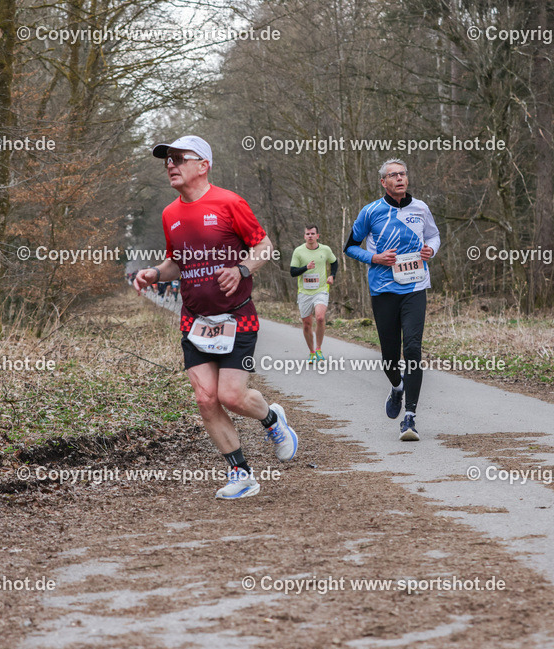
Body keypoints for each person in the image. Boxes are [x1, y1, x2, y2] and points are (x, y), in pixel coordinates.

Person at [133, 135, 298, 499]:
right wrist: (154, 274)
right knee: (206, 398)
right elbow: (177, 262)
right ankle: (241, 474)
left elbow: (264, 247)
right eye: (167, 160)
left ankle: (272, 419)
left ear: (203, 165)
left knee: (232, 396)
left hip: (237, 317)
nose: (170, 164)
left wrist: (241, 268)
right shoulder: (170, 213)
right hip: (195, 321)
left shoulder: (229, 202)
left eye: (179, 158)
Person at [344, 158, 440, 441]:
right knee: (389, 357)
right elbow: (350, 247)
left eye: (402, 174)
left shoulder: (421, 208)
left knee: (412, 347)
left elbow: (434, 236)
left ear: (407, 179)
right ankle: (397, 387)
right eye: (392, 175)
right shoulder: (370, 211)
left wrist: (430, 251)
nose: (399, 178)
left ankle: (409, 418)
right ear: (383, 182)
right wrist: (374, 257)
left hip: (415, 287)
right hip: (384, 290)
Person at [289, 225, 337, 363]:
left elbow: (334, 262)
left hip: (321, 290)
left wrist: (332, 275)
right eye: (307, 234)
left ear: (318, 236)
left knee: (320, 318)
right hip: (304, 292)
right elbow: (293, 272)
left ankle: (319, 349)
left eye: (312, 233)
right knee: (306, 324)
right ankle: (311, 352)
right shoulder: (298, 251)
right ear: (304, 236)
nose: (310, 236)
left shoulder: (325, 249)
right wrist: (306, 268)